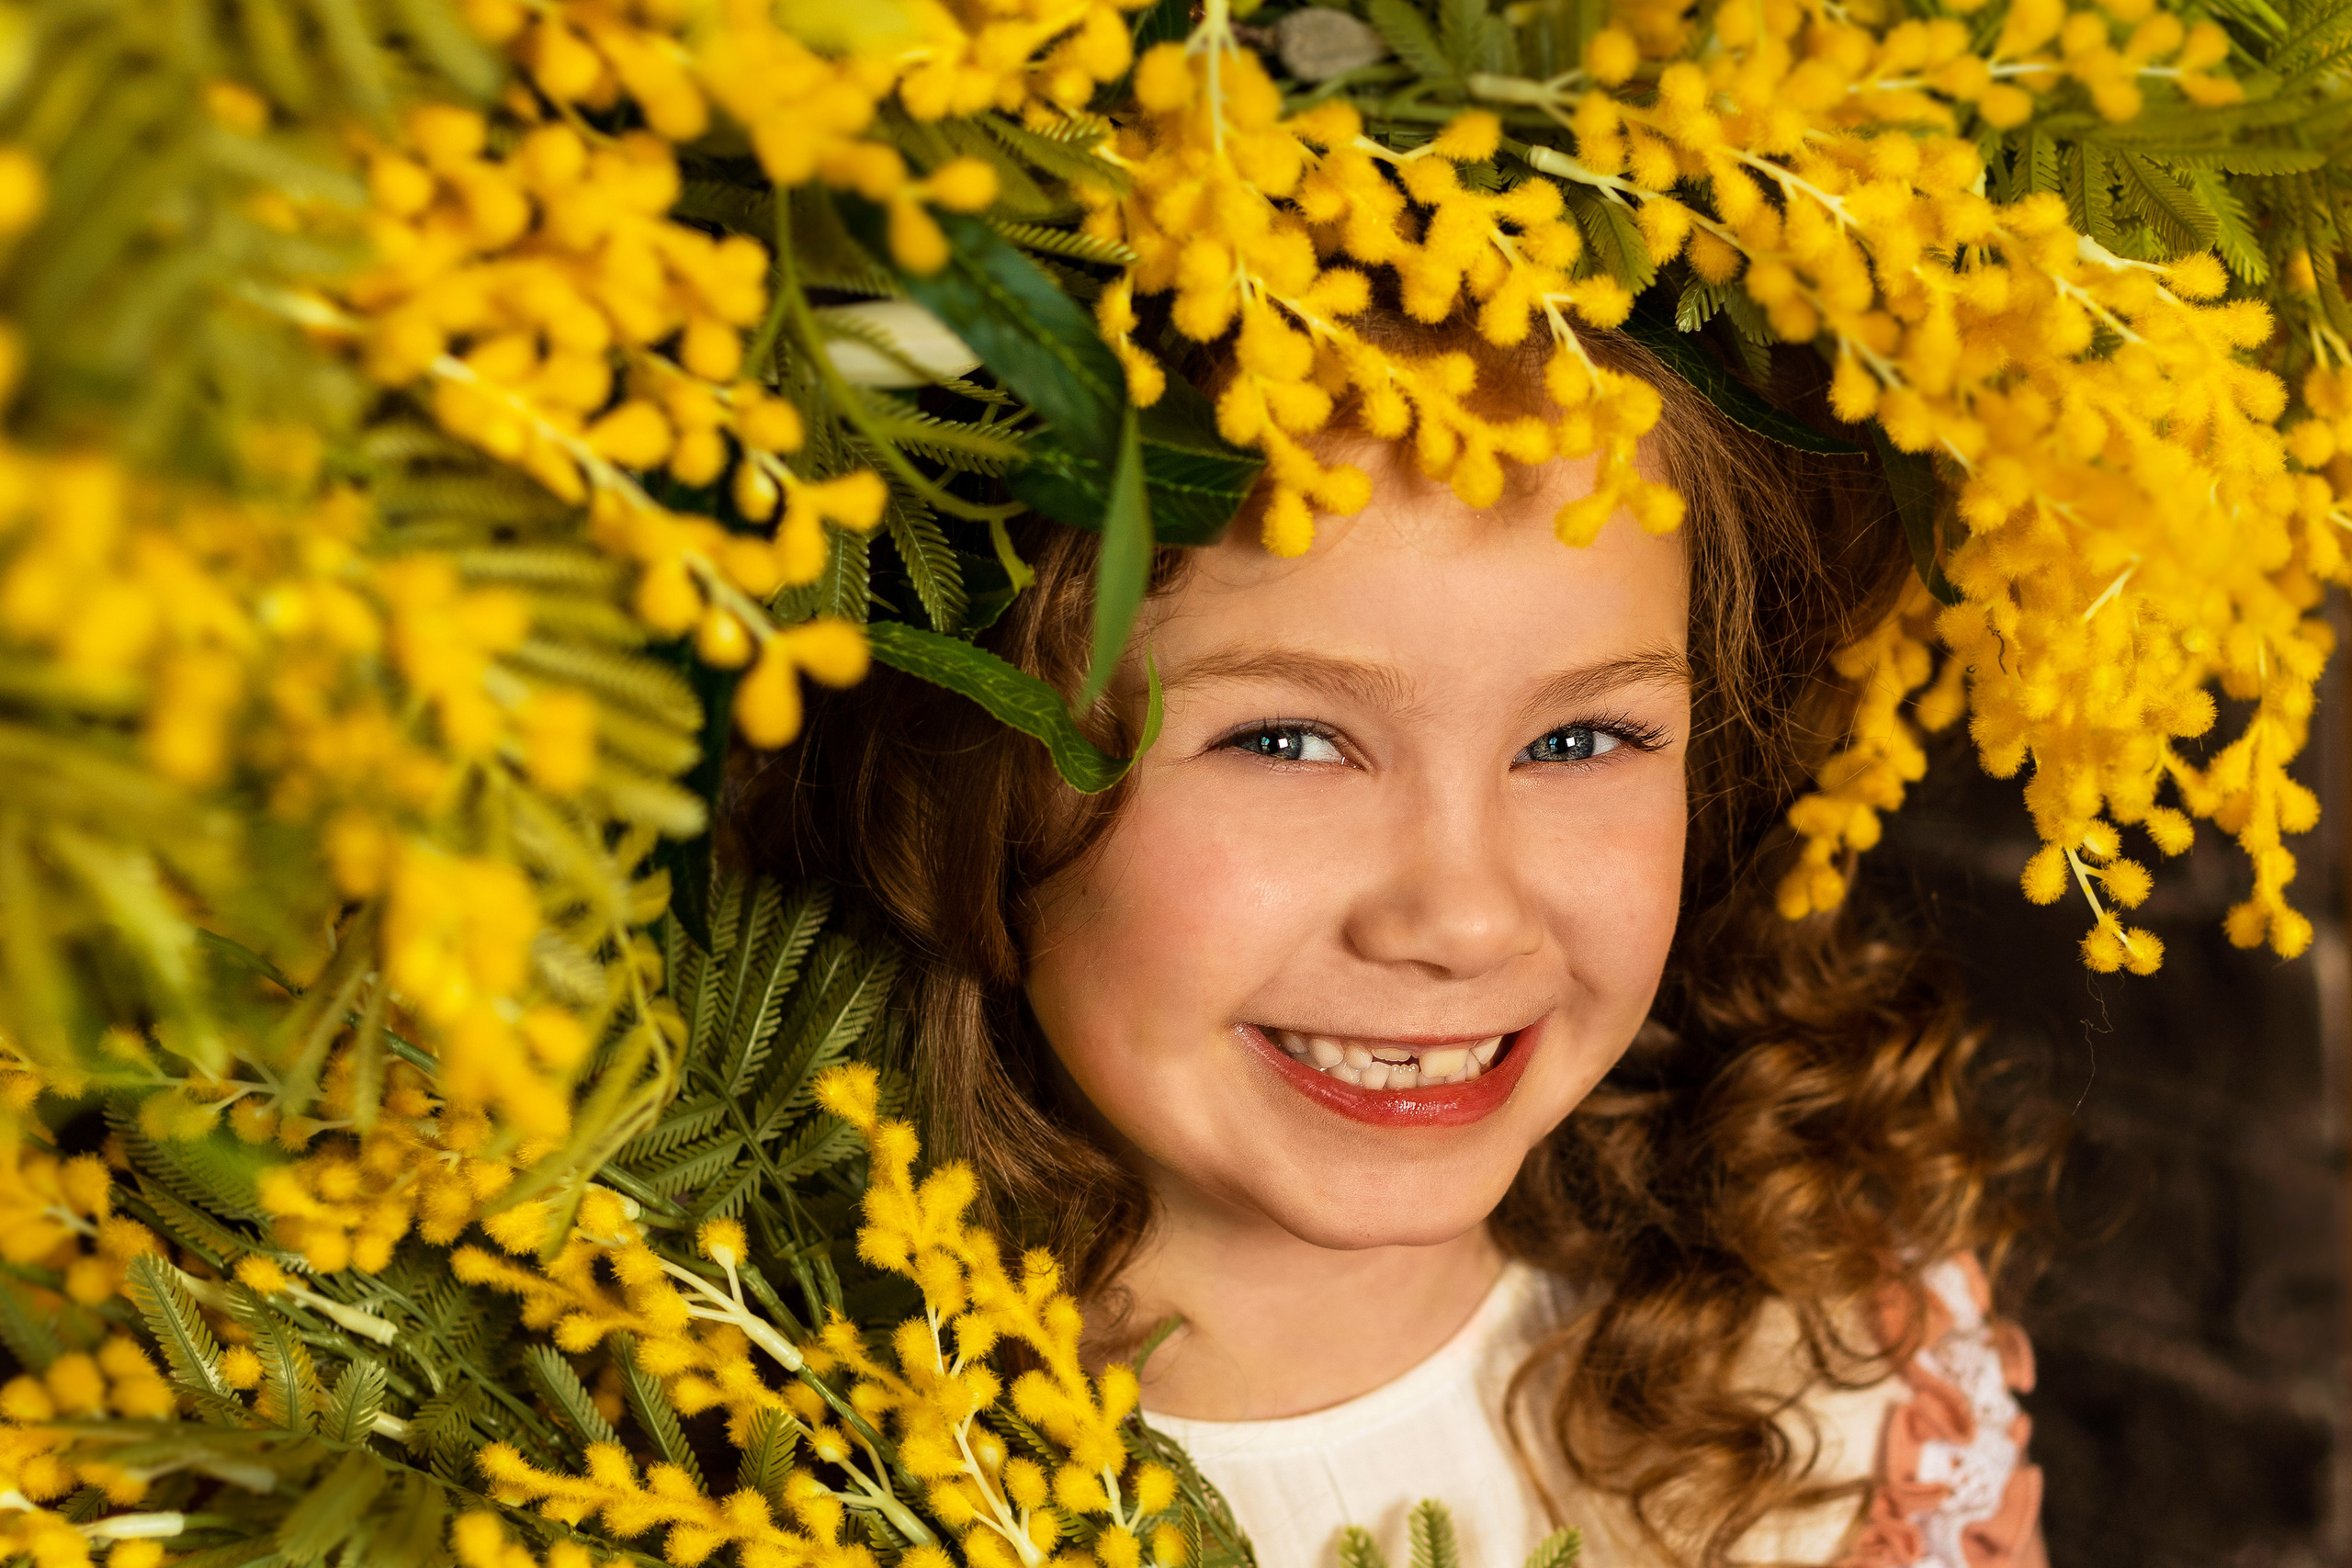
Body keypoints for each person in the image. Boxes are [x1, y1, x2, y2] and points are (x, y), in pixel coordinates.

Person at [741, 309, 2054, 1568]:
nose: (1465, 918)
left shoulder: (1837, 1382)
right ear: (968, 761)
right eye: (1286, 742)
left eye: (1578, 741)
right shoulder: (737, 1461)